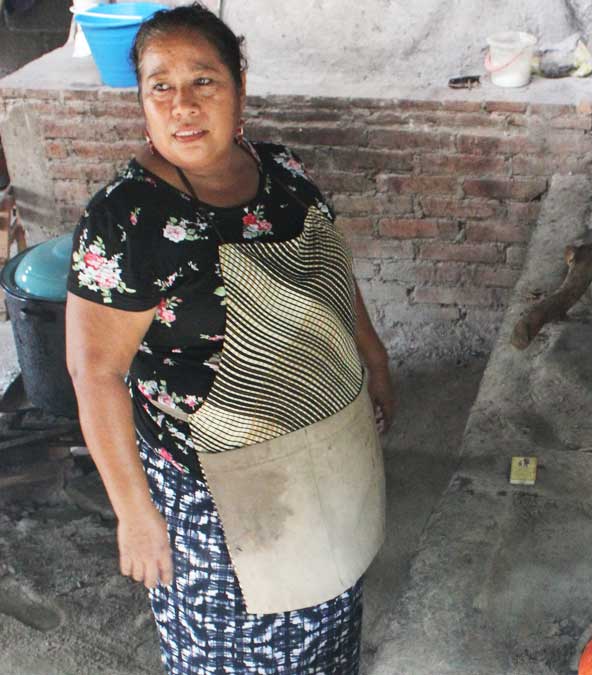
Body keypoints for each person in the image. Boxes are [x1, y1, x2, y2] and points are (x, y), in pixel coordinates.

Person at [65, 5, 394, 674]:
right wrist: (134, 514)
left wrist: (375, 359)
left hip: (324, 463)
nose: (182, 104)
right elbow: (94, 372)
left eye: (203, 80)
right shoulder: (126, 219)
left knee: (327, 636)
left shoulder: (284, 174)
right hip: (212, 496)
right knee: (237, 657)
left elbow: (331, 275)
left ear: (239, 83)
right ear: (142, 100)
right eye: (161, 85)